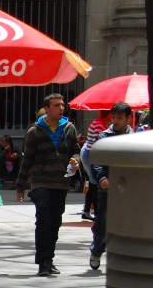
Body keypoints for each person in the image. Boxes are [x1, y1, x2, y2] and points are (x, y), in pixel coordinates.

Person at [16, 92, 81, 276]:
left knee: (55, 222)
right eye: (56, 105)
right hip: (40, 181)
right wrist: (21, 186)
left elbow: (76, 150)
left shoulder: (69, 128)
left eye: (62, 105)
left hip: (61, 182)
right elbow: (27, 160)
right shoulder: (34, 131)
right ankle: (43, 261)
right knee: (44, 220)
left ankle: (49, 259)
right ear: (46, 109)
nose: (61, 108)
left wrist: (75, 160)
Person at [88, 101, 132, 271]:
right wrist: (102, 178)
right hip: (106, 188)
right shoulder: (103, 137)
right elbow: (96, 161)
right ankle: (96, 251)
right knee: (103, 223)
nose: (115, 120)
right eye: (113, 117)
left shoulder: (134, 137)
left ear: (129, 118)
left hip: (127, 188)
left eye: (119, 117)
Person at [79, 110, 109, 221]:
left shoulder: (96, 123)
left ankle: (87, 210)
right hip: (91, 155)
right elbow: (99, 143)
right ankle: (96, 212)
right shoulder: (99, 125)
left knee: (92, 184)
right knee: (95, 184)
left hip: (88, 153)